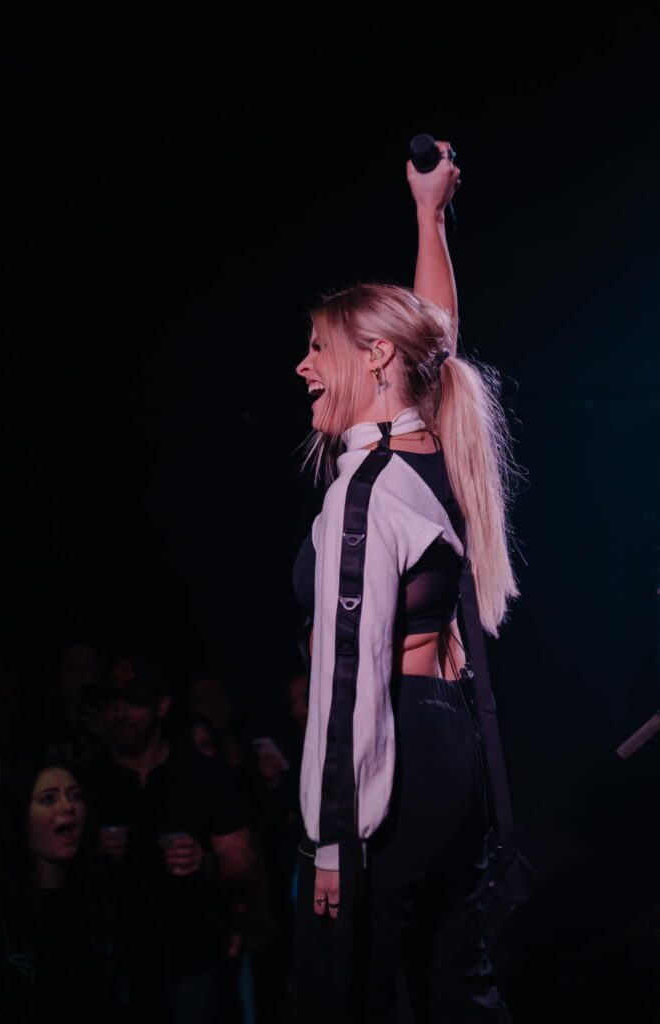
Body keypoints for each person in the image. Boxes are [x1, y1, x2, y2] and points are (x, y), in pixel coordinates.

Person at [290, 142, 520, 1021]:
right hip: (441, 744)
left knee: (346, 991)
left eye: (318, 349)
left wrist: (331, 842)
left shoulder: (371, 487)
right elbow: (435, 336)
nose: (304, 367)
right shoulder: (431, 450)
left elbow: (345, 684)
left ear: (376, 358)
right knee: (452, 986)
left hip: (384, 759)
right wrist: (429, 214)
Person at [85, 655, 257, 1023]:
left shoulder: (201, 774)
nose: (120, 714)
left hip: (193, 961)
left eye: (133, 702)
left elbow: (244, 864)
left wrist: (206, 863)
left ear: (161, 706)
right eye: (111, 702)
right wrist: (91, 856)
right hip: (115, 962)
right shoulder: (86, 782)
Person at [0, 757, 123, 1021]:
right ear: (20, 815)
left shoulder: (102, 891)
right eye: (48, 799)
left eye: (75, 795)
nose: (68, 806)